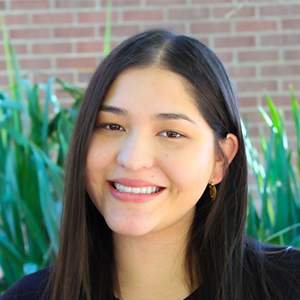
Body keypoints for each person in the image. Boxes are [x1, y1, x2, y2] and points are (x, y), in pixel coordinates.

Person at [1, 29, 300, 300]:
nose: (132, 159)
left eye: (171, 133)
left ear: (219, 160)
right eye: (111, 126)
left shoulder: (289, 285)